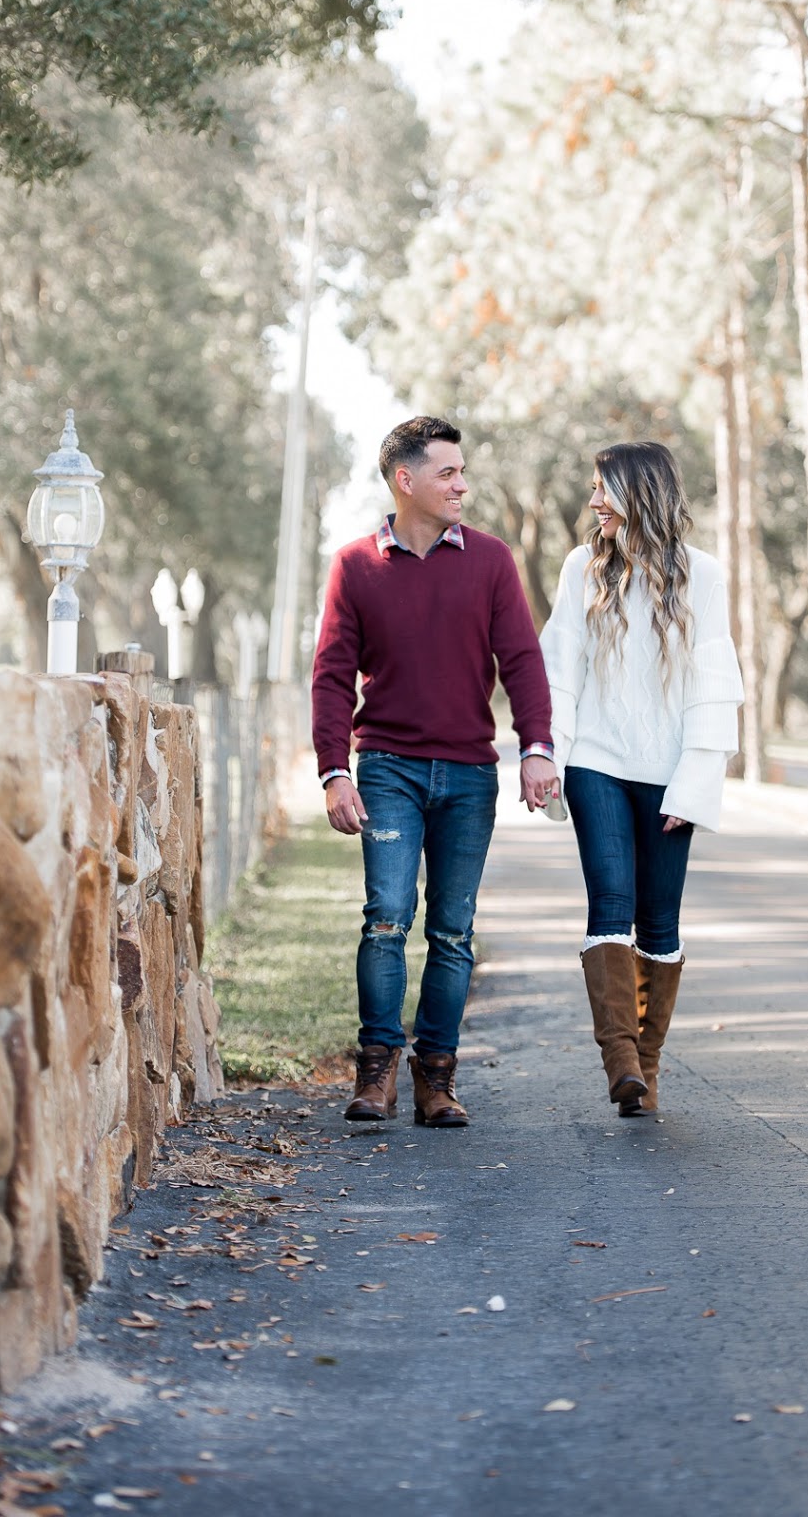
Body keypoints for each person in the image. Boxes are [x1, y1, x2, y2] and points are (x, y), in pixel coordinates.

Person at [312, 416, 558, 1127]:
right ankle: (376, 1074)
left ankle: (436, 1078)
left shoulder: (488, 562)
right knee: (386, 918)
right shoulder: (356, 565)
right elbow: (331, 676)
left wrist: (535, 746)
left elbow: (520, 660)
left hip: (467, 776)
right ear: (405, 480)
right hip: (385, 767)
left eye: (461, 471)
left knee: (452, 930)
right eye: (447, 472)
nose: (461, 484)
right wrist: (335, 770)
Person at [539, 441, 743, 1117]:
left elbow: (713, 686)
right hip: (596, 761)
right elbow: (559, 669)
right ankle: (621, 1064)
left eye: (602, 487)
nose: (592, 500)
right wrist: (547, 750)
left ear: (638, 493)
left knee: (658, 919)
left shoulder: (702, 575)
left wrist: (693, 782)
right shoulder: (581, 569)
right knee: (610, 903)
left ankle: (645, 1070)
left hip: (669, 770)